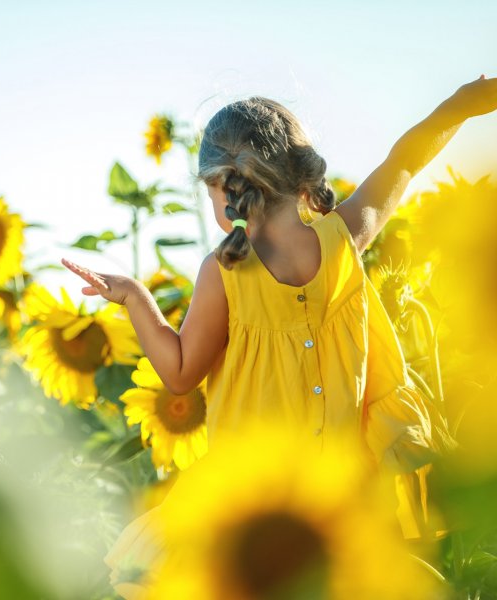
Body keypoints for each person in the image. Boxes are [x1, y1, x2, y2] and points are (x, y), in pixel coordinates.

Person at [62, 75, 495, 599]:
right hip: (336, 505)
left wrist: (135, 295)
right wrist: (459, 107)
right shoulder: (344, 237)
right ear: (296, 174)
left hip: (252, 515)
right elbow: (404, 161)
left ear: (227, 187)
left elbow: (179, 375)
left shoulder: (223, 272)